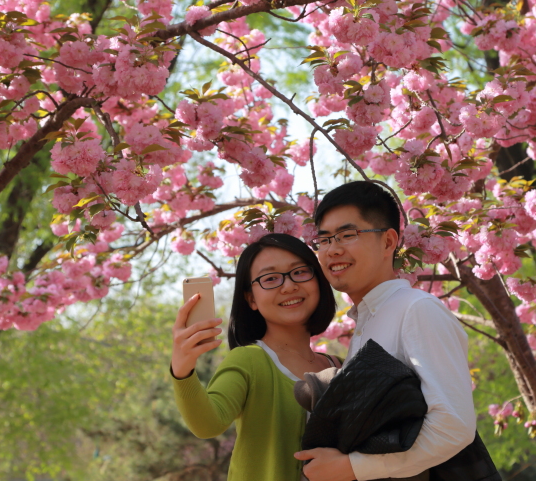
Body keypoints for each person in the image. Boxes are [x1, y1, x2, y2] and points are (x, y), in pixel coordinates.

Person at [295, 181, 477, 481]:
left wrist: (352, 467)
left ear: (388, 241)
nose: (333, 250)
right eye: (324, 240)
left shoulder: (416, 309)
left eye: (348, 235)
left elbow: (454, 425)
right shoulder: (368, 319)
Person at [170, 233, 338, 481]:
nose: (289, 286)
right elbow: (208, 425)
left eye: (300, 272)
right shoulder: (248, 360)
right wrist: (182, 369)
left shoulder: (340, 366)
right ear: (251, 299)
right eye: (270, 278)